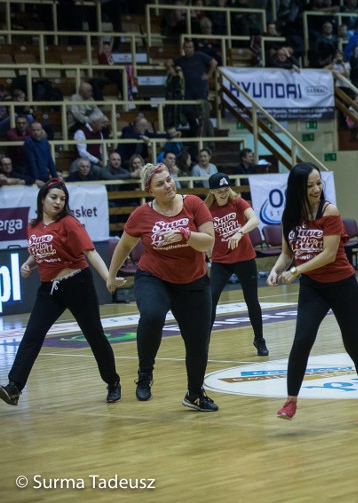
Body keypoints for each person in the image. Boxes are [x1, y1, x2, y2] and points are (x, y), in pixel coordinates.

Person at [266, 163, 358, 426]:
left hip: (343, 286)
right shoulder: (289, 216)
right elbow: (286, 252)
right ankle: (291, 400)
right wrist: (275, 270)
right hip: (312, 287)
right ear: (298, 189)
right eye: (310, 185)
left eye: (319, 183)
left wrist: (296, 270)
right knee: (302, 341)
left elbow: (328, 255)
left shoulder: (330, 212)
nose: (317, 189)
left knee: (354, 346)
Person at [0, 180, 123, 406]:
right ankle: (14, 387)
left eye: (62, 199)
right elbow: (39, 253)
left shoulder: (68, 223)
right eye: (54, 197)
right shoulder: (33, 226)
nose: (58, 202)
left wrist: (108, 277)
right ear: (42, 199)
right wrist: (28, 264)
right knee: (32, 335)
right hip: (49, 289)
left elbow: (91, 253)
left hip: (77, 283)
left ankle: (112, 382)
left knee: (94, 335)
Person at [106, 163, 218, 412]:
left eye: (168, 179)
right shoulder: (141, 215)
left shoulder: (193, 204)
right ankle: (145, 374)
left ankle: (195, 393)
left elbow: (208, 242)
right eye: (160, 183)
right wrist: (111, 276)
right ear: (150, 190)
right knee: (153, 315)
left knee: (199, 342)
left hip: (194, 281)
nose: (167, 185)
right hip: (154, 277)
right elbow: (124, 246)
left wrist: (184, 234)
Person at [204, 172, 267, 355]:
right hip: (221, 260)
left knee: (252, 300)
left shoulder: (238, 202)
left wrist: (240, 232)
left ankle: (259, 339)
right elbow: (204, 233)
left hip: (244, 257)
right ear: (212, 192)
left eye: (226, 189)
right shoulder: (206, 208)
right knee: (212, 298)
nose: (224, 194)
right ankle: (203, 343)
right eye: (219, 191)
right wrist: (208, 254)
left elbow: (254, 220)